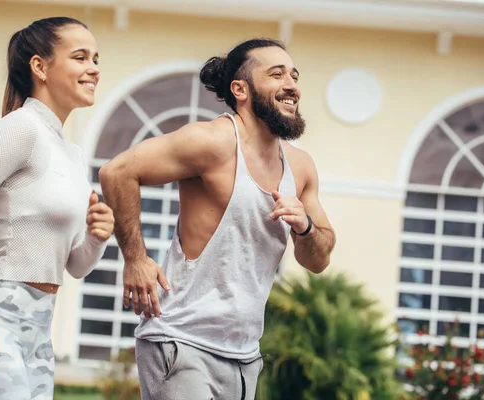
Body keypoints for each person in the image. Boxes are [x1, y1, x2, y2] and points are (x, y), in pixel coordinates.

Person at [99, 38, 336, 399]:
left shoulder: (300, 166)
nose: (291, 85)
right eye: (276, 74)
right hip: (180, 340)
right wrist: (135, 258)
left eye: (294, 75)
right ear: (240, 89)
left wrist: (304, 226)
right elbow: (117, 173)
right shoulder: (210, 141)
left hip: (244, 356)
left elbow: (317, 259)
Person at [0, 17, 114, 400]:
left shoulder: (72, 154)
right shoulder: (22, 128)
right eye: (80, 57)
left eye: (96, 58)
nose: (94, 68)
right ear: (40, 67)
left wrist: (97, 236)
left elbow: (75, 266)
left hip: (38, 331)